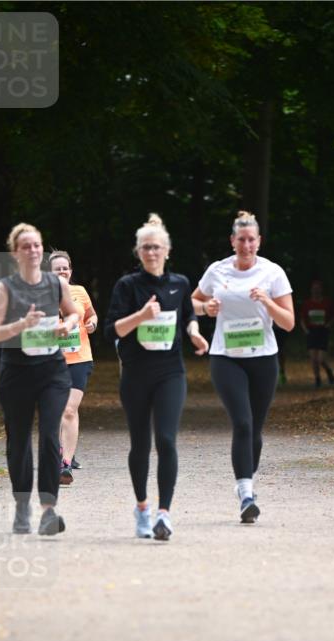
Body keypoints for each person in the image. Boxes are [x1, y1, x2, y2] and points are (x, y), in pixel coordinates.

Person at [105, 213, 208, 540]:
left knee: (166, 439)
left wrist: (194, 333)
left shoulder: (180, 283)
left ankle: (164, 514)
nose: (151, 252)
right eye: (146, 248)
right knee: (141, 444)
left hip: (170, 372)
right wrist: (141, 316)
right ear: (138, 252)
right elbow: (111, 331)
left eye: (156, 247)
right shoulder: (127, 286)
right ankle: (142, 508)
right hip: (136, 373)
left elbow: (188, 315)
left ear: (167, 250)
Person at [192, 209, 295, 523]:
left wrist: (267, 301)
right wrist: (206, 307)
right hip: (226, 357)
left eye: (251, 239)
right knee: (243, 423)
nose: (246, 245)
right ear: (232, 241)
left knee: (255, 429)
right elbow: (192, 303)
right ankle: (246, 494)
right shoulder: (217, 270)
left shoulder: (273, 272)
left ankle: (246, 481)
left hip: (263, 358)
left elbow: (288, 322)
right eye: (241, 239)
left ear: (259, 241)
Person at [0, 223, 78, 536]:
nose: (33, 250)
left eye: (37, 245)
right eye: (26, 246)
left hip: (52, 372)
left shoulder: (56, 284)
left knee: (50, 435)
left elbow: (74, 313)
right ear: (16, 253)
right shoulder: (6, 288)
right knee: (19, 439)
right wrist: (22, 324)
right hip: (17, 373)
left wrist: (68, 325)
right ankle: (22, 506)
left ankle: (48, 510)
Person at [48, 251, 98, 484]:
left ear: (70, 270)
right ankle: (62, 450)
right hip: (52, 360)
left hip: (80, 358)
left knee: (69, 409)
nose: (62, 272)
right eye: (57, 269)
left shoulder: (80, 292)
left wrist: (92, 323)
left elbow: (91, 315)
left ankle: (65, 464)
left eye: (65, 268)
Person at [299, 279, 334, 387]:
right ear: (311, 290)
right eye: (314, 289)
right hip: (311, 331)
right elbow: (302, 318)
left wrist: (329, 324)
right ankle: (317, 379)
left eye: (318, 289)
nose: (316, 291)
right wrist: (305, 330)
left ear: (321, 290)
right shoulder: (307, 303)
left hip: (323, 331)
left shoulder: (327, 302)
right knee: (313, 359)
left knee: (321, 359)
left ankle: (329, 372)